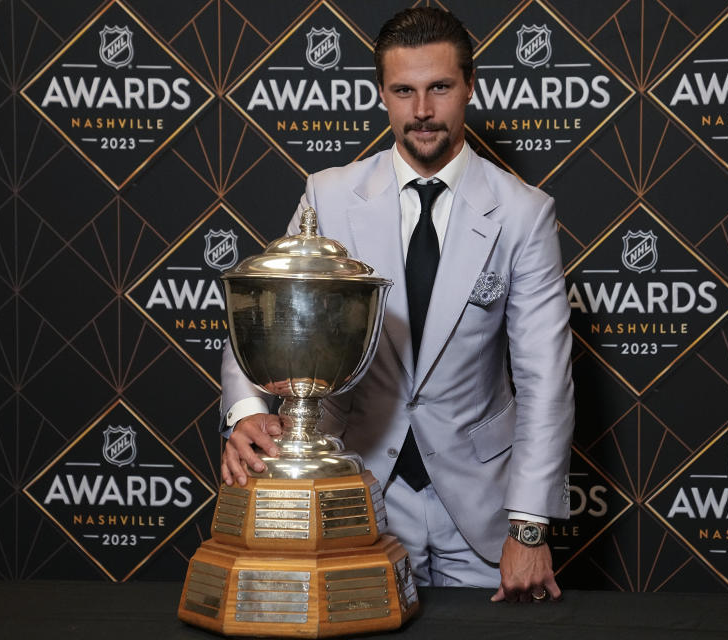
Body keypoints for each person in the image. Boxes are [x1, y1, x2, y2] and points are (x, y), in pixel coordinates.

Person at [219, 7, 574, 603]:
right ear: (381, 93)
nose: (422, 112)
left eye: (440, 88)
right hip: (353, 488)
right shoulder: (328, 194)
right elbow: (265, 313)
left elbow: (546, 379)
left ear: (470, 86)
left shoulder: (523, 212)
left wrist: (530, 525)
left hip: (481, 507)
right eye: (403, 91)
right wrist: (245, 412)